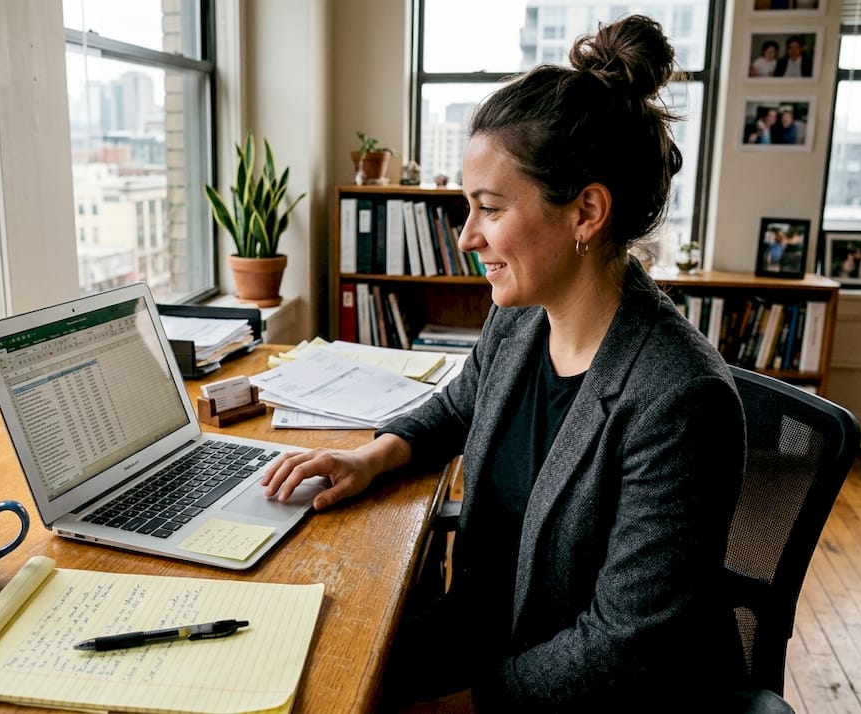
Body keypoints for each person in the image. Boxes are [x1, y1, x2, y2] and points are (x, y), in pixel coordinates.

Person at [262, 14, 746, 711]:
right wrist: (372, 458)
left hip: (586, 689)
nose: (465, 238)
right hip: (489, 633)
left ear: (586, 213)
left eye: (489, 209)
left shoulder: (680, 397)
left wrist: (452, 707)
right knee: (305, 663)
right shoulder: (521, 317)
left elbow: (624, 646)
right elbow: (460, 405)